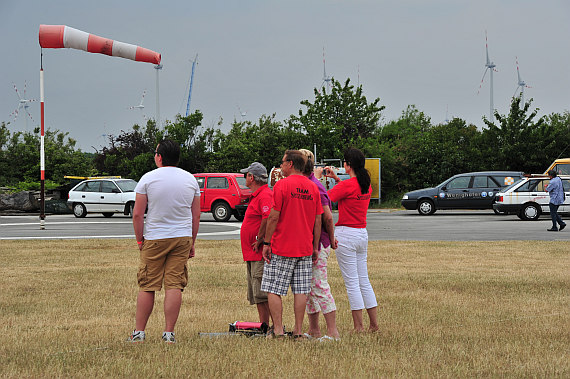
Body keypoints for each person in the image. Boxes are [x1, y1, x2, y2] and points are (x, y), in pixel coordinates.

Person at [127, 139, 201, 344]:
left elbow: (138, 214)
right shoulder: (190, 180)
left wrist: (140, 241)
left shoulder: (148, 179)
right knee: (174, 284)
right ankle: (169, 334)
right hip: (182, 237)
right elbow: (196, 216)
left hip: (155, 237)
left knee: (147, 285)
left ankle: (139, 333)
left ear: (159, 156)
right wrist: (192, 242)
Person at [261, 150, 323, 338]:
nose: (280, 166)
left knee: (273, 289)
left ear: (291, 164)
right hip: (304, 247)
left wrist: (266, 242)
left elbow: (273, 216)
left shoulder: (282, 186)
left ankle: (278, 330)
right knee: (301, 291)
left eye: (282, 163)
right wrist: (314, 246)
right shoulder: (313, 187)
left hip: (282, 246)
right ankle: (298, 330)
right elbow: (317, 219)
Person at [324, 148, 379, 333]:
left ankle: (359, 327)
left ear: (348, 165)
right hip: (361, 234)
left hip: (346, 235)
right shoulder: (366, 184)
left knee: (352, 283)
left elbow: (324, 200)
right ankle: (373, 325)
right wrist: (337, 179)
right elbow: (350, 190)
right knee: (364, 280)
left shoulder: (347, 186)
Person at [298, 149, 340, 341]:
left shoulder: (316, 186)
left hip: (319, 243)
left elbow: (328, 217)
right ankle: (314, 330)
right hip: (307, 243)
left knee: (319, 285)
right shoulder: (306, 183)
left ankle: (333, 332)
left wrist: (330, 240)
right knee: (307, 288)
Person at [239, 162, 273, 325]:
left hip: (259, 252)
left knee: (261, 292)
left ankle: (272, 326)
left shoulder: (264, 195)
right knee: (257, 292)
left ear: (252, 177)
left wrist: (260, 239)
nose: (245, 178)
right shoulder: (258, 195)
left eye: (247, 175)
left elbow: (267, 217)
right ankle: (265, 325)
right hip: (252, 253)